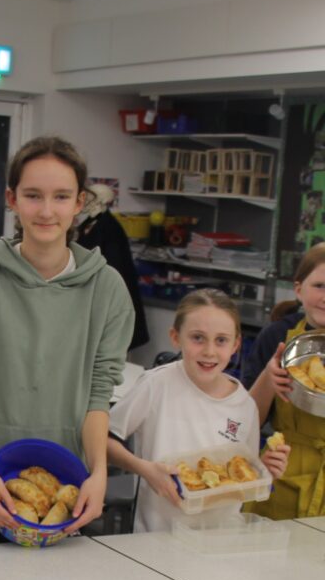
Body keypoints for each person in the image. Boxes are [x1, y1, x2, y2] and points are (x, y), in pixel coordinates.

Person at [0, 135, 135, 546]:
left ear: (80, 202)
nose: (47, 211)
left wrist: (98, 474)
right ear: (12, 198)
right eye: (33, 195)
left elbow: (99, 395)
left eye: (61, 197)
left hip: (64, 496)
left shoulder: (108, 288)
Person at [108, 288, 289, 532]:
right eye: (198, 338)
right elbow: (104, 441)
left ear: (236, 344)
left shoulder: (245, 406)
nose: (209, 351)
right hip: (157, 539)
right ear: (175, 337)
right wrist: (144, 469)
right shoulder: (156, 384)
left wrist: (264, 470)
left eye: (221, 340)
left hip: (220, 541)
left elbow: (240, 480)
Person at [242, 243, 325, 519]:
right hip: (283, 471)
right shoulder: (276, 337)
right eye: (319, 286)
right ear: (299, 289)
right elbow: (245, 421)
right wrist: (269, 378)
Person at [76, 183, 149, 349]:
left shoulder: (110, 228)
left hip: (106, 298)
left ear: (101, 201)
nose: (86, 201)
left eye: (91, 197)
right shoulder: (88, 224)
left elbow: (115, 266)